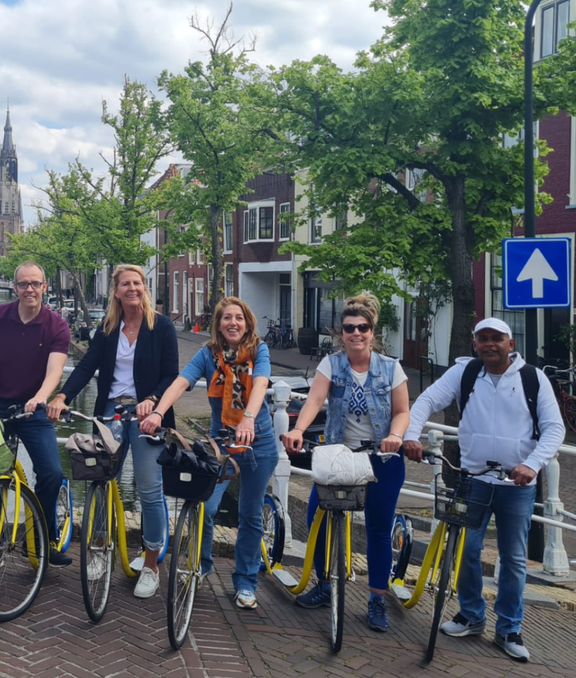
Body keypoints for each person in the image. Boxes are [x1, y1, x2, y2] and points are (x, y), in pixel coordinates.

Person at [403, 318, 564, 662]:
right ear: (474, 343)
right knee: (466, 550)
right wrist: (410, 436)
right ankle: (472, 615)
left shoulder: (533, 379)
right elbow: (426, 401)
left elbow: (554, 429)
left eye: (497, 339)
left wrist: (532, 464)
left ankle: (508, 628)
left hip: (516, 485)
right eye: (483, 339)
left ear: (511, 344)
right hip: (472, 479)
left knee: (514, 559)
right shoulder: (465, 373)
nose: (490, 344)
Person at [48, 265, 178, 598]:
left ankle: (151, 564)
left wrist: (152, 400)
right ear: (116, 291)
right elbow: (87, 366)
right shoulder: (106, 330)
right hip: (110, 411)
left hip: (148, 414)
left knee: (149, 489)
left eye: (137, 283)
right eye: (125, 284)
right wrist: (62, 396)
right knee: (100, 482)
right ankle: (99, 549)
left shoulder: (161, 326)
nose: (132, 288)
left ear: (144, 288)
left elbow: (171, 376)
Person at [281, 293, 409, 632]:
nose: (356, 333)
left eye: (362, 327)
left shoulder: (391, 368)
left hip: (381, 458)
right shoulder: (331, 365)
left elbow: (402, 411)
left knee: (379, 529)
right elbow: (315, 400)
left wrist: (395, 435)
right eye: (349, 328)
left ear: (372, 331)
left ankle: (376, 599)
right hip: (339, 456)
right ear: (341, 332)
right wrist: (297, 429)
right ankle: (324, 585)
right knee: (317, 518)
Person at [140, 297, 278, 608]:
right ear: (217, 324)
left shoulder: (259, 350)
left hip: (259, 441)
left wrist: (249, 418)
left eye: (238, 318)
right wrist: (159, 412)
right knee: (205, 506)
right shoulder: (208, 355)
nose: (233, 323)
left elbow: (259, 385)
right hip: (221, 444)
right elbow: (180, 382)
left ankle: (245, 583)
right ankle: (200, 565)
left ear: (247, 322)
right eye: (226, 318)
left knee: (250, 513)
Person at [0, 261, 72, 567]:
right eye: (23, 284)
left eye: (35, 284)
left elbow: (55, 370)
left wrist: (40, 398)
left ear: (45, 287)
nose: (29, 289)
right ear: (14, 287)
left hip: (33, 407)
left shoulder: (57, 325)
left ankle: (45, 537)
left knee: (51, 473)